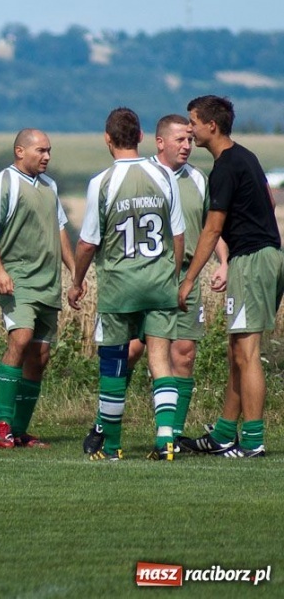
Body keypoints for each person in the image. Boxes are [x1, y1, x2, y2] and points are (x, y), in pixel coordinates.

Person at [68, 107, 184, 461]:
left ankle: (114, 447)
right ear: (141, 137)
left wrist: (76, 281)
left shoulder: (102, 182)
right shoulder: (164, 176)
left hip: (120, 285)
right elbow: (177, 235)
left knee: (115, 362)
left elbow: (88, 243)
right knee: (160, 359)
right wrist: (173, 276)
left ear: (107, 139)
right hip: (159, 282)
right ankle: (166, 439)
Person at [178, 95, 284, 458]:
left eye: (192, 122)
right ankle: (224, 434)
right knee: (236, 350)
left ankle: (252, 440)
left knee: (248, 353)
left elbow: (211, 230)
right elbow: (268, 203)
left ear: (211, 125)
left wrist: (189, 279)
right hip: (264, 256)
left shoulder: (224, 167)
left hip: (252, 260)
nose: (189, 129)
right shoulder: (247, 157)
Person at [126, 114, 228, 449]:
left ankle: (172, 433)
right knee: (131, 350)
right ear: (160, 142)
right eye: (180, 140)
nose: (187, 146)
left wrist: (223, 261)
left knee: (183, 352)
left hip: (186, 276)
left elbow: (211, 228)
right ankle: (106, 421)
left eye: (189, 139)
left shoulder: (198, 179)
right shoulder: (141, 175)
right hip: (147, 275)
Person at [0, 129, 75, 449]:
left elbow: (60, 230)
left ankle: (19, 430)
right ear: (20, 151)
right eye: (40, 151)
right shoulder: (3, 183)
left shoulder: (50, 186)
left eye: (49, 151)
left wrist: (75, 271)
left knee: (41, 354)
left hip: (48, 281)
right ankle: (1, 423)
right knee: (20, 338)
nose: (47, 156)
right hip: (17, 279)